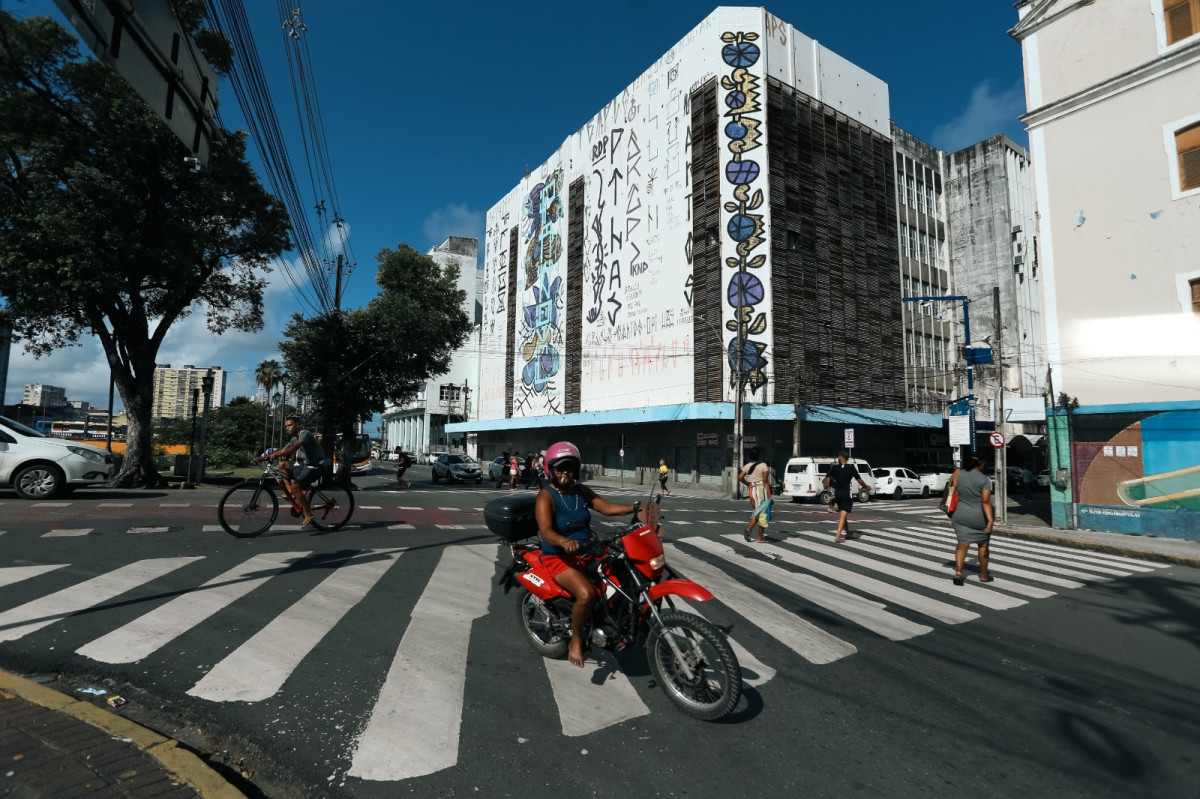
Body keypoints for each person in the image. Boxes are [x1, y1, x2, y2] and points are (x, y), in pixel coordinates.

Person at [535, 441, 646, 667]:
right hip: (559, 557)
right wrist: (564, 542)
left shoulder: (580, 491)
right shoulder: (546, 496)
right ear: (550, 470)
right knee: (586, 594)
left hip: (588, 550)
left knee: (624, 575)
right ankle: (576, 640)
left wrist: (633, 509)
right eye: (560, 469)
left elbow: (603, 506)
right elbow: (546, 531)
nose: (566, 473)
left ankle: (613, 623)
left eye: (570, 468)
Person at [269, 416, 326, 529]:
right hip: (304, 465)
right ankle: (290, 492)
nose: (287, 428)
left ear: (298, 425)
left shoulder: (305, 434)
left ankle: (308, 514)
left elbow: (295, 448)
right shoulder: (294, 438)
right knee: (282, 465)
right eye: (286, 427)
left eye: (290, 425)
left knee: (297, 487)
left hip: (316, 466)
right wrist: (266, 456)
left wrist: (278, 454)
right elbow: (284, 449)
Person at [951, 456, 995, 585]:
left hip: (960, 515)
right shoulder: (984, 479)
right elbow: (985, 501)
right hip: (979, 517)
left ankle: (958, 573)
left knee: (962, 543)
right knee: (983, 545)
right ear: (980, 465)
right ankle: (983, 575)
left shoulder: (958, 474)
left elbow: (951, 489)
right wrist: (990, 520)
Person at [823, 451, 870, 543]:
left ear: (841, 458)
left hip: (837, 494)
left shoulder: (835, 468)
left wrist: (829, 486)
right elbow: (859, 480)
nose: (837, 459)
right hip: (846, 494)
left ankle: (848, 532)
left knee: (842, 514)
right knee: (843, 514)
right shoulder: (851, 468)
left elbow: (829, 477)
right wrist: (866, 486)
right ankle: (837, 536)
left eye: (838, 457)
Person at [737, 447, 772, 543]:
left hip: (752, 490)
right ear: (759, 455)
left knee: (757, 511)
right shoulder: (763, 465)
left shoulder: (747, 466)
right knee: (763, 514)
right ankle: (755, 534)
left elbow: (740, 477)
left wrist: (748, 483)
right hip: (761, 490)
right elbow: (765, 481)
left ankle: (752, 532)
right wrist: (769, 495)